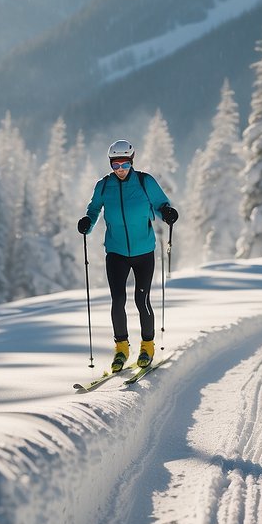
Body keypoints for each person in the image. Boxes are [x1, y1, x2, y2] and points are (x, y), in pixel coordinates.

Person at [78, 139, 177, 372]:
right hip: (116, 252)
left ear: (132, 162)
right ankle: (121, 349)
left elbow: (162, 204)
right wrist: (87, 223)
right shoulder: (104, 186)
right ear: (110, 165)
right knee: (118, 301)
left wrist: (167, 212)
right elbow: (93, 211)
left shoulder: (145, 182)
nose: (120, 169)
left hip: (144, 252)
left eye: (124, 164)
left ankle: (147, 346)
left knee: (141, 300)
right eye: (115, 165)